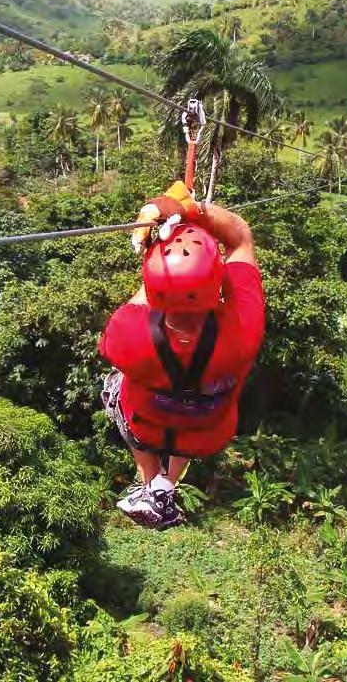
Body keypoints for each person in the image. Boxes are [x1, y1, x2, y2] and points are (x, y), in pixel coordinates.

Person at [98, 180, 265, 529]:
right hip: (206, 431)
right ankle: (164, 486)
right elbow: (240, 238)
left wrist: (159, 261)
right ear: (216, 280)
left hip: (147, 425)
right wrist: (190, 210)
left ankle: (150, 481)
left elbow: (145, 297)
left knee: (114, 385)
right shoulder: (243, 329)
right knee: (192, 413)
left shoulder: (127, 334)